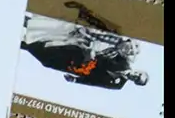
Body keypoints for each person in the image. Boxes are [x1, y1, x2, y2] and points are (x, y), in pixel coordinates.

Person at [19, 9, 147, 93]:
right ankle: (22, 20)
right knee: (49, 36)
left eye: (136, 79)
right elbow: (104, 49)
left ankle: (21, 43)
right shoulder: (123, 61)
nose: (135, 76)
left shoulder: (117, 84)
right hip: (80, 52)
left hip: (75, 66)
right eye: (138, 75)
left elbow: (95, 82)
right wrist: (89, 49)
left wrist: (76, 80)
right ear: (138, 71)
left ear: (134, 82)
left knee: (45, 58)